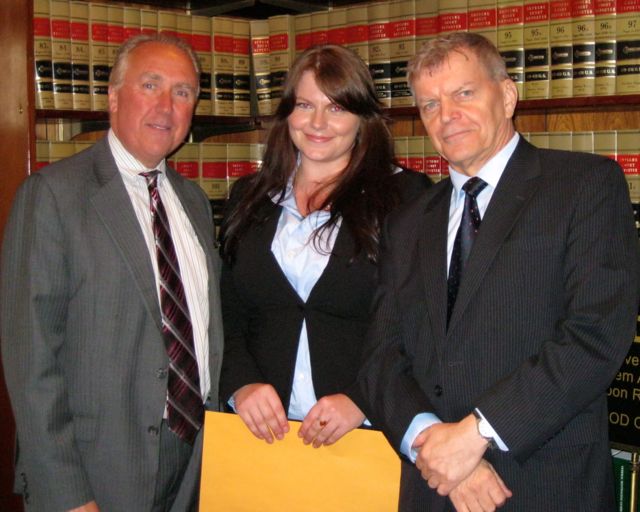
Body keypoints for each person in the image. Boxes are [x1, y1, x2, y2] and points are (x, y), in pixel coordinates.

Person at [359, 32, 640, 512]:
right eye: (430, 104)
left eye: (464, 93)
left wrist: (477, 435)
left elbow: (596, 334)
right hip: (433, 487)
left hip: (543, 484)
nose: (447, 115)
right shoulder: (407, 221)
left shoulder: (584, 186)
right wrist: (433, 444)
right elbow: (380, 357)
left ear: (507, 96)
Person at [0, 33, 223, 511]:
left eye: (183, 92)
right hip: (97, 473)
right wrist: (67, 494)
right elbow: (30, 361)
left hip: (195, 463)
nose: (166, 106)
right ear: (114, 97)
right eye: (150, 85)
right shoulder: (53, 195)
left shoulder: (194, 203)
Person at [218, 44, 430, 448]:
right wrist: (241, 384)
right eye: (305, 105)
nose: (318, 122)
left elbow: (421, 321)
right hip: (258, 438)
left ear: (362, 117)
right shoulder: (248, 196)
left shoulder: (405, 196)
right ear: (287, 113)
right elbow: (227, 312)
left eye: (336, 107)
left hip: (365, 436)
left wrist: (363, 398)